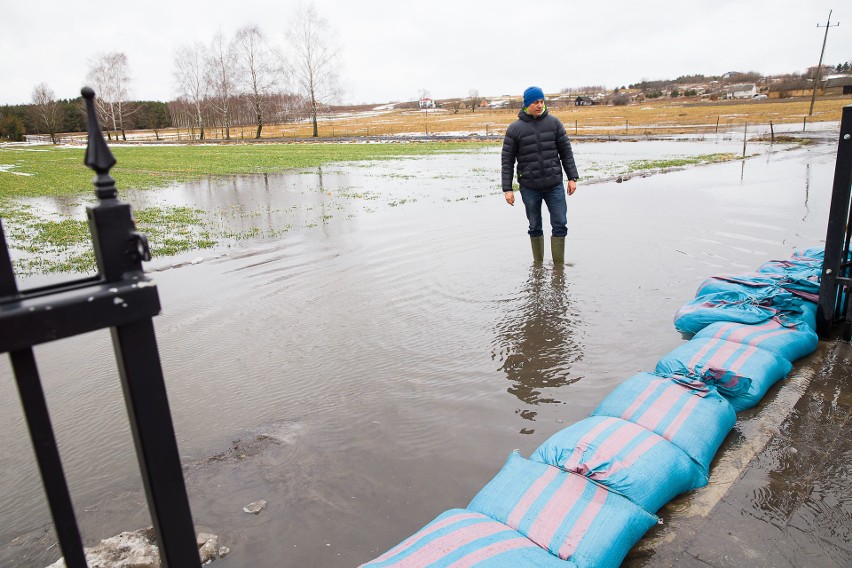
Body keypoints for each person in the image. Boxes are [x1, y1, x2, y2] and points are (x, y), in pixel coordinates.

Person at [501, 86, 579, 264]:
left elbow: (566, 152)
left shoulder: (554, 123)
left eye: (542, 101)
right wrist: (508, 189)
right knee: (535, 226)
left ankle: (558, 267)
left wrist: (572, 178)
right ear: (527, 104)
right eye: (536, 102)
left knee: (560, 223)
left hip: (554, 185)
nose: (540, 105)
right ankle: (538, 266)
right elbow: (507, 161)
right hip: (529, 187)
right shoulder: (514, 129)